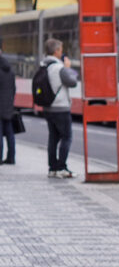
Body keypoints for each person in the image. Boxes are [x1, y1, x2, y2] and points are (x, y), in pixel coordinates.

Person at [41, 38, 78, 178]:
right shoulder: (59, 67)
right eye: (61, 50)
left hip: (48, 108)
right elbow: (73, 81)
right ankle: (62, 167)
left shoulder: (44, 65)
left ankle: (52, 168)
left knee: (53, 138)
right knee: (66, 137)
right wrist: (68, 68)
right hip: (60, 108)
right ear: (56, 51)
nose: (61, 53)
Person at [0, 41, 16, 165]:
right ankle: (11, 157)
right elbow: (13, 88)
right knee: (10, 133)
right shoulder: (9, 69)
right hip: (8, 105)